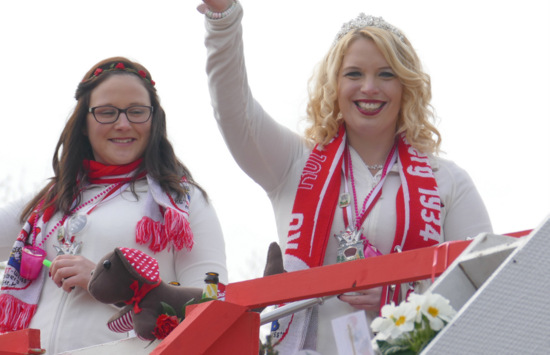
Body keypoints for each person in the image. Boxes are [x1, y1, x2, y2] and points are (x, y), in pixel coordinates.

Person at [198, 1, 492, 354]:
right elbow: (234, 112)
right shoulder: (294, 163)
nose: (370, 87)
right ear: (333, 85)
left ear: (406, 86)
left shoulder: (447, 180)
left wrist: (395, 292)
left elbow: (484, 284)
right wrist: (224, 20)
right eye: (354, 74)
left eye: (386, 74)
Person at [0, 57, 228, 353]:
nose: (123, 124)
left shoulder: (181, 202)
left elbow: (214, 306)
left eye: (136, 112)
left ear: (154, 120)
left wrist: (110, 283)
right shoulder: (48, 203)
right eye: (107, 113)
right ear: (84, 122)